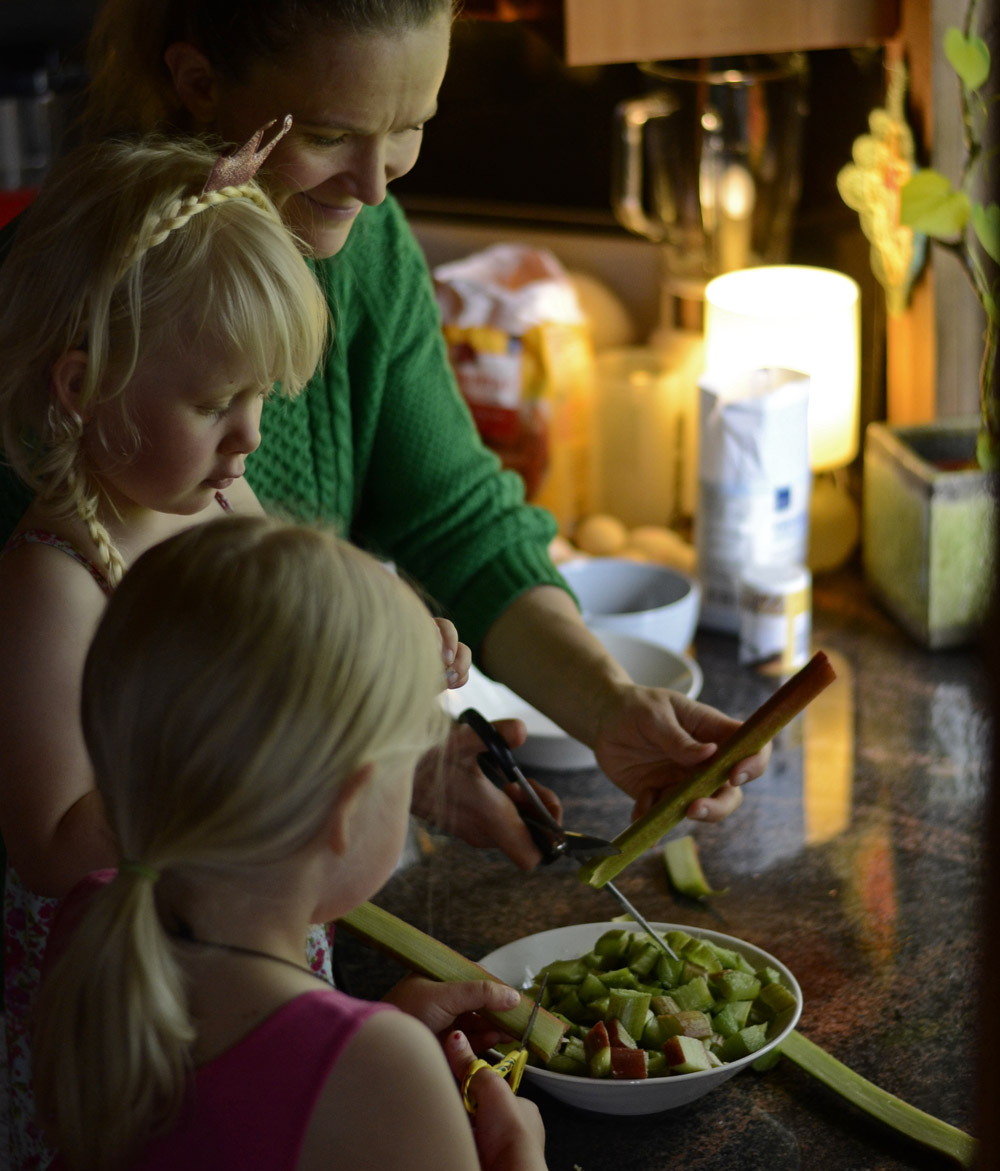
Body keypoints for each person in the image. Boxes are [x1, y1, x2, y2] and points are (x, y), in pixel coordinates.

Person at [50, 0, 770, 852]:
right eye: (326, 134)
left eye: (409, 127)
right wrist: (369, 747)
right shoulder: (73, 311)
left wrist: (609, 707)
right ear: (199, 83)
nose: (375, 185)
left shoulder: (364, 247)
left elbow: (458, 524)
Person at [0, 128, 475, 1170]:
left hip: (252, 933)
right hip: (140, 996)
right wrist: (232, 761)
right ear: (81, 388)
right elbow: (45, 844)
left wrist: (383, 636)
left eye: (264, 397)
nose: (250, 437)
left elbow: (295, 619)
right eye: (217, 402)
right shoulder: (53, 575)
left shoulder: (219, 496)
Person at [32, 514, 548, 1171]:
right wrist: (517, 1154)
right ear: (349, 802)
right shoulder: (386, 1073)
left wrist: (358, 1040)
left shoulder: (93, 920)